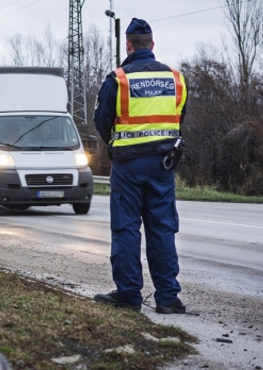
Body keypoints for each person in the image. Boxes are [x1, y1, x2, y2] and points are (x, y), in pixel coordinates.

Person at [92, 18, 188, 314]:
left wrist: (119, 142)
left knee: (126, 229)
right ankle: (168, 298)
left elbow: (101, 122)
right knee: (162, 229)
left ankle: (130, 294)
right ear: (152, 45)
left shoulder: (118, 79)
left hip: (128, 166)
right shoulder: (175, 78)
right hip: (162, 165)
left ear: (128, 45)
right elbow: (179, 118)